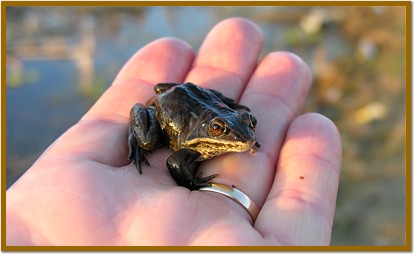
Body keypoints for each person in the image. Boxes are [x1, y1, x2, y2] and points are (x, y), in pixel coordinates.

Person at [6, 18, 342, 246]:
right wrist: (193, 183)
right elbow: (174, 164)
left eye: (247, 126)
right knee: (150, 142)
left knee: (230, 115)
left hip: (192, 95)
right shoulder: (194, 144)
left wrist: (242, 129)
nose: (241, 135)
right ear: (211, 131)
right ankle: (142, 143)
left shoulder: (236, 128)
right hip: (165, 107)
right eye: (220, 131)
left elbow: (236, 118)